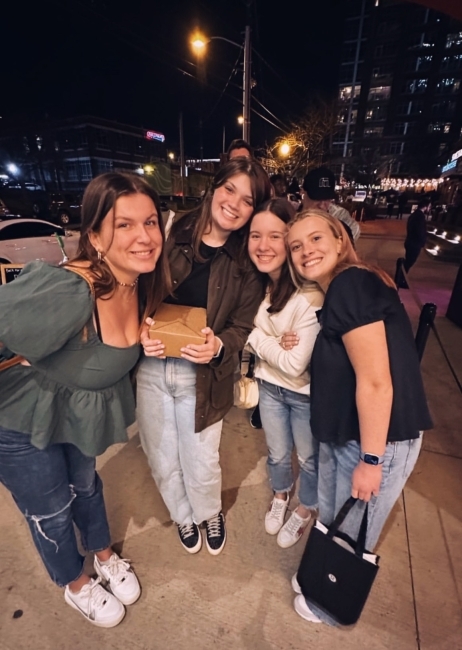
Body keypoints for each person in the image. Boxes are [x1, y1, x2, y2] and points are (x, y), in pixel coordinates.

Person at [0, 172, 171, 627]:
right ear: (94, 236)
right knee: (51, 510)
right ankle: (74, 583)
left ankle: (102, 554)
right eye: (125, 225)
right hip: (19, 420)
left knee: (87, 487)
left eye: (151, 222)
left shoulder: (141, 283)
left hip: (75, 414)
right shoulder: (71, 288)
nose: (143, 236)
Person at [285, 209, 432, 624]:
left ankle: (328, 604)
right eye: (296, 246)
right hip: (348, 434)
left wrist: (372, 460)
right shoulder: (345, 289)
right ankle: (319, 576)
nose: (305, 251)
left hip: (374, 440)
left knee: (354, 526)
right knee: (335, 517)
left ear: (340, 241)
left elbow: (375, 383)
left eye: (316, 239)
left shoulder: (350, 284)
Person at [137, 158, 272, 556]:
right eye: (229, 189)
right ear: (214, 188)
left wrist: (219, 346)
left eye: (247, 200)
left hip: (206, 375)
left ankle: (208, 511)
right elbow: (139, 289)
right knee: (161, 456)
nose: (234, 203)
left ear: (253, 210)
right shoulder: (169, 228)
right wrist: (141, 325)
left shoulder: (247, 261)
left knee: (202, 461)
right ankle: (182, 515)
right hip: (153, 365)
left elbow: (242, 326)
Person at [246, 199, 324, 548]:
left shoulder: (310, 295)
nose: (263, 246)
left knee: (308, 458)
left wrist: (255, 335)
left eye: (275, 236)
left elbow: (295, 364)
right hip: (268, 386)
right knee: (277, 454)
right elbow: (242, 343)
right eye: (255, 235)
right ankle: (281, 495)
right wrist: (273, 341)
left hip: (305, 394)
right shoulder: (255, 287)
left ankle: (305, 508)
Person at [300, 167, 360, 244]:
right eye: (316, 198)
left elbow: (353, 231)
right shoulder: (289, 215)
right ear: (303, 192)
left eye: (327, 199)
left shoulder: (339, 216)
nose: (322, 205)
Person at [404, 198, 431, 272]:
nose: (429, 209)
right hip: (414, 243)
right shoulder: (420, 217)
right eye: (429, 207)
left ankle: (401, 277)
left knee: (408, 261)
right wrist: (423, 241)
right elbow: (420, 231)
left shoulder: (414, 215)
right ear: (425, 207)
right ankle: (401, 278)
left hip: (410, 241)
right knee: (409, 262)